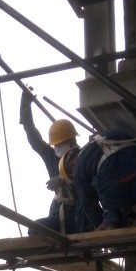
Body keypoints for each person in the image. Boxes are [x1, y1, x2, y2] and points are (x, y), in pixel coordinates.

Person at [19, 87, 92, 234]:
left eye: (61, 144)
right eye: (56, 145)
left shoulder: (85, 155)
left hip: (82, 212)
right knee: (35, 230)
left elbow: (90, 184)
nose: (58, 147)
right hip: (58, 211)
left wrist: (64, 179)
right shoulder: (52, 157)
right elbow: (33, 137)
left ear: (72, 141)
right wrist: (25, 105)